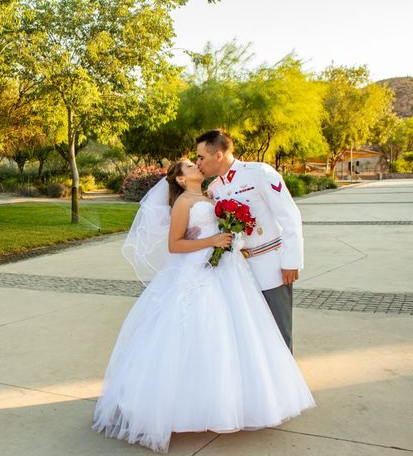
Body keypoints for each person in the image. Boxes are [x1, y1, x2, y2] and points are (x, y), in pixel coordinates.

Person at [92, 159, 315, 453]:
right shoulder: (184, 202)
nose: (196, 165)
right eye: (189, 166)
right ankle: (181, 407)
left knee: (233, 332)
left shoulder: (213, 194)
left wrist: (231, 237)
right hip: (195, 272)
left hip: (227, 270)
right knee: (194, 333)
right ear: (181, 180)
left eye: (196, 161)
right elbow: (175, 245)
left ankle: (237, 399)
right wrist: (212, 239)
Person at [197, 129, 303, 352]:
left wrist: (291, 261)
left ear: (218, 155)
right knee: (252, 336)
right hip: (238, 271)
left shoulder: (259, 173)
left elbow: (289, 215)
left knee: (278, 332)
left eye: (201, 157)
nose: (198, 163)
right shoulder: (215, 188)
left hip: (270, 265)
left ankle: (286, 385)